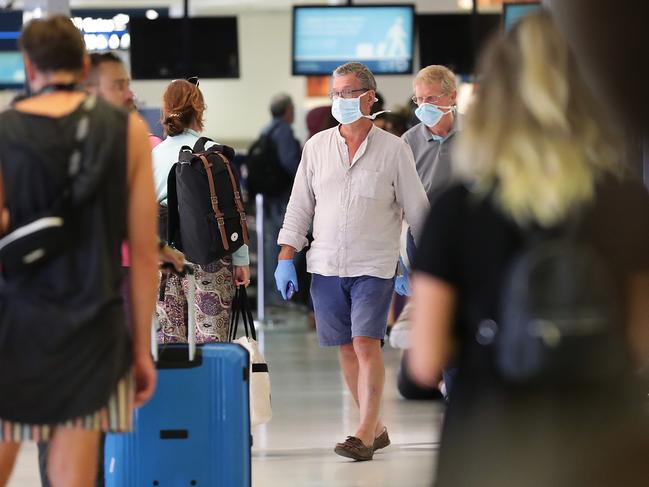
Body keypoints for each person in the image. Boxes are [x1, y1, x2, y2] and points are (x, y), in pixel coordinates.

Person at [409, 12, 649, 486]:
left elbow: (426, 360)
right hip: (607, 441)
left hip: (492, 443)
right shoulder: (626, 203)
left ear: (494, 98)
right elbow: (642, 342)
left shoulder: (458, 210)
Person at [0, 16, 158, 487]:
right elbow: (144, 251)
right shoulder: (125, 131)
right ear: (84, 64)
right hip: (95, 326)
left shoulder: (5, 129)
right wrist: (140, 348)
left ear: (30, 68)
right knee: (74, 479)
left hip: (16, 323)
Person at [275, 62, 429, 461]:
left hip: (374, 265)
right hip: (326, 265)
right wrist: (286, 257)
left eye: (347, 92)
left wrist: (420, 265)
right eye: (335, 93)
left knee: (365, 344)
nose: (340, 100)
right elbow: (299, 207)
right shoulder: (316, 147)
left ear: (369, 96)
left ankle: (362, 433)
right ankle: (374, 427)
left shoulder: (394, 150)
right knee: (345, 347)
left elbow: (418, 212)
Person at [153, 78, 250, 344]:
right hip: (210, 258)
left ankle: (176, 387)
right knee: (211, 342)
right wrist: (241, 261)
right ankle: (210, 385)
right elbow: (233, 213)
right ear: (200, 111)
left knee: (169, 345)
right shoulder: (213, 155)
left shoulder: (154, 155)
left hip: (163, 261)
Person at [398, 65, 462, 398]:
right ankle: (441, 378)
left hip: (468, 242)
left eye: (431, 98)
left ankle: (454, 377)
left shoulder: (478, 135)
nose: (423, 106)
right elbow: (397, 204)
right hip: (425, 242)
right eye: (418, 99)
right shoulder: (407, 143)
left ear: (452, 97)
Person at [258, 93, 301, 307]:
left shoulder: (265, 130)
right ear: (287, 111)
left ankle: (270, 296)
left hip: (267, 198)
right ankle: (282, 295)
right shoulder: (284, 132)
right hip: (283, 197)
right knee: (287, 245)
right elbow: (291, 163)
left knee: (269, 246)